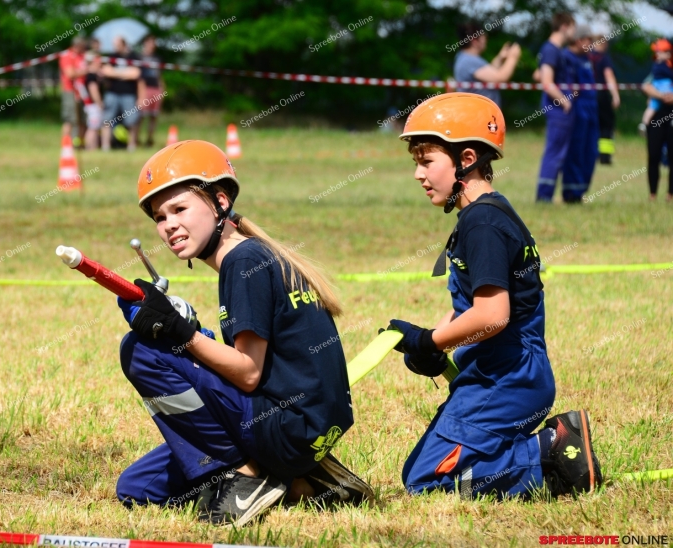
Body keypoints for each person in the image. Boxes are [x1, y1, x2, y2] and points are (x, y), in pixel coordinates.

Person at [114, 140, 373, 525]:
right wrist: (185, 327)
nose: (168, 225)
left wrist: (179, 332)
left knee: (140, 350)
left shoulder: (243, 261)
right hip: (305, 431)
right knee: (138, 488)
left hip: (286, 428)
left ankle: (248, 474)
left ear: (220, 201)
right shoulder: (256, 255)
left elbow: (248, 373)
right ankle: (308, 482)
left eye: (179, 208)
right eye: (159, 217)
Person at [388, 92, 602, 500]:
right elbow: (472, 309)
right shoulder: (487, 212)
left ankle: (552, 453)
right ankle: (539, 450)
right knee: (420, 471)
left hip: (506, 378)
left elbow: (492, 315)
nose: (418, 174)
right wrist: (435, 342)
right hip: (500, 373)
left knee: (426, 481)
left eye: (426, 161)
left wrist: (427, 340)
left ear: (466, 158)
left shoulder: (482, 223)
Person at [535, 12, 578, 203]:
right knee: (554, 153)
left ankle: (549, 195)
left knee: (559, 153)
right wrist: (565, 100)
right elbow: (546, 82)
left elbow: (538, 75)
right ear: (564, 26)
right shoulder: (551, 49)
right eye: (573, 27)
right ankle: (544, 196)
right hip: (558, 111)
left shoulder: (553, 50)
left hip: (560, 110)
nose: (574, 32)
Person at [560, 25, 599, 203]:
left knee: (591, 151)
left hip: (592, 109)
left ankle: (582, 190)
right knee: (575, 151)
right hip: (577, 109)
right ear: (578, 40)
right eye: (588, 40)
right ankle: (571, 193)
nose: (591, 44)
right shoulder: (566, 57)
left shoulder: (588, 58)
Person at [453, 21, 521, 107]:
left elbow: (488, 73)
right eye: (483, 38)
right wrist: (513, 57)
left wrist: (500, 57)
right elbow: (500, 77)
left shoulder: (464, 57)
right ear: (474, 41)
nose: (486, 41)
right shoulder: (469, 60)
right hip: (479, 115)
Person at [641, 39, 673, 202]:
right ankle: (652, 194)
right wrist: (660, 95)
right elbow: (645, 86)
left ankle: (670, 195)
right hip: (657, 117)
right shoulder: (656, 70)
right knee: (653, 155)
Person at [100, 36, 141, 151]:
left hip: (129, 94)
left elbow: (135, 74)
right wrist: (125, 74)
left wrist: (115, 73)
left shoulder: (133, 57)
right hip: (112, 94)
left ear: (124, 44)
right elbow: (106, 71)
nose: (115, 47)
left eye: (117, 44)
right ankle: (105, 146)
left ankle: (132, 145)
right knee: (107, 119)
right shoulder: (111, 56)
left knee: (132, 120)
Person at [589, 36, 620, 165]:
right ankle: (605, 157)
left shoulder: (586, 57)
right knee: (606, 126)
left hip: (587, 96)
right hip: (601, 96)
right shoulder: (603, 58)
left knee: (590, 126)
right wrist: (616, 95)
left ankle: (591, 154)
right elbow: (609, 75)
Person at [59, 36, 88, 146]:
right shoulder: (67, 55)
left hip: (81, 92)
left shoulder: (82, 56)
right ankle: (65, 145)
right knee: (70, 119)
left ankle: (79, 144)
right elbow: (70, 74)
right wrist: (86, 71)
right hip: (69, 91)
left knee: (81, 120)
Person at [137, 35, 165, 147]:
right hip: (145, 88)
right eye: (150, 42)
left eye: (154, 43)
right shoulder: (140, 57)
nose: (152, 45)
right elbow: (139, 76)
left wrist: (162, 89)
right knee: (142, 115)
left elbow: (159, 75)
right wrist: (141, 93)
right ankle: (137, 139)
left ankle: (149, 139)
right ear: (145, 43)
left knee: (153, 116)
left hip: (155, 88)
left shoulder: (157, 58)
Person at [80, 52, 103, 150]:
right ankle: (90, 148)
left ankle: (91, 147)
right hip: (92, 106)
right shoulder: (91, 76)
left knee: (92, 127)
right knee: (93, 128)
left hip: (89, 105)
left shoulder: (88, 75)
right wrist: (100, 103)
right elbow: (94, 91)